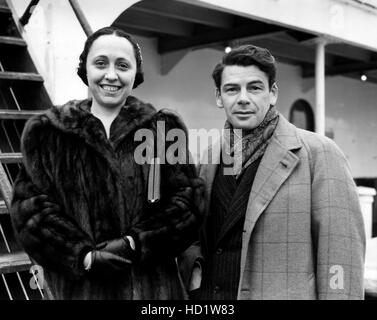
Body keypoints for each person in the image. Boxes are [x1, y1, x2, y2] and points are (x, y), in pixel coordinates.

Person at [10, 26, 204, 300]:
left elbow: (188, 204)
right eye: (101, 63)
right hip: (83, 292)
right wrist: (84, 256)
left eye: (122, 65)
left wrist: (136, 243)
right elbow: (30, 211)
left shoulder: (162, 129)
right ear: (85, 68)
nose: (111, 75)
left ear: (135, 73)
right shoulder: (49, 132)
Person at [179, 44, 365, 300]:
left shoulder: (319, 153)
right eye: (232, 89)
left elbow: (341, 255)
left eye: (254, 88)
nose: (243, 98)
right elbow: (195, 234)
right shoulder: (209, 158)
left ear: (273, 93)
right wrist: (196, 271)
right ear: (219, 97)